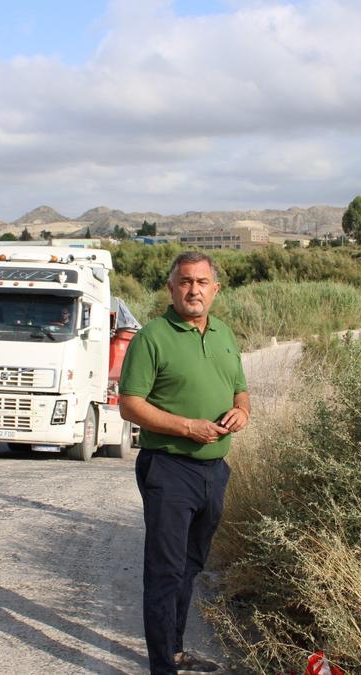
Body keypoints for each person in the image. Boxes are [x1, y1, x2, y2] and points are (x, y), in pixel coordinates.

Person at [119, 251, 249, 675]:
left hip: (215, 471)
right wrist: (186, 427)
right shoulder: (152, 337)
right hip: (169, 468)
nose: (194, 290)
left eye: (202, 282)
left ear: (216, 289)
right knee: (165, 570)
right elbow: (130, 405)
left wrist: (242, 412)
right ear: (171, 289)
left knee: (190, 566)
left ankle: (175, 650)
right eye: (185, 282)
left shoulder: (225, 333)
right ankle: (163, 667)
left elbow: (240, 391)